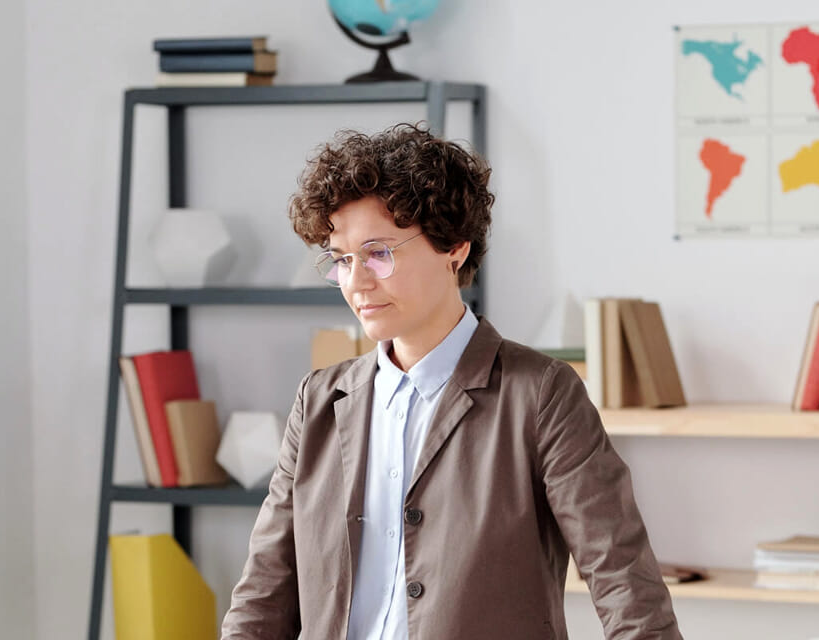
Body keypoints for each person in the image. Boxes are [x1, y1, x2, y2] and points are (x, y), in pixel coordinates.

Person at [221, 123, 681, 639]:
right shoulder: (320, 401)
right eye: (342, 260)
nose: (357, 282)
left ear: (454, 249)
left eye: (378, 253)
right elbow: (263, 592)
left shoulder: (540, 394)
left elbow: (622, 579)